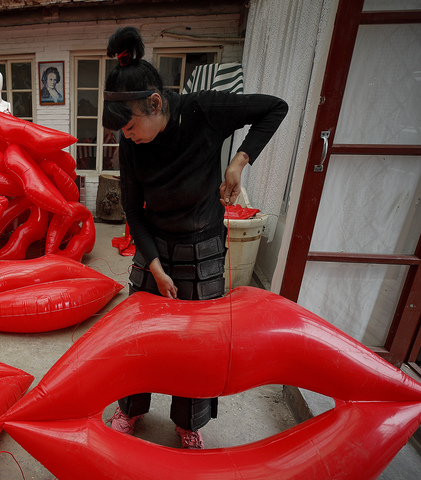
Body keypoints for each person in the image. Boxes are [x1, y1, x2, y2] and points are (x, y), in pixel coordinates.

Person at [102, 27, 288, 448]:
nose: (126, 137)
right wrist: (153, 265)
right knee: (140, 338)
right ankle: (129, 409)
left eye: (130, 127)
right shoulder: (131, 144)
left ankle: (189, 422)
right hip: (154, 250)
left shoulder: (203, 110)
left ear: (155, 103)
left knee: (197, 342)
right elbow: (133, 209)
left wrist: (240, 160)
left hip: (202, 247)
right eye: (122, 133)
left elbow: (275, 108)